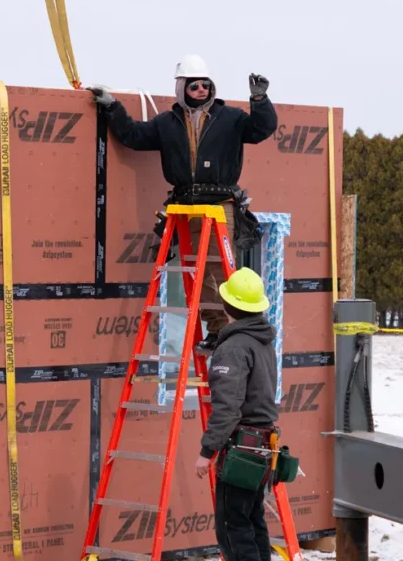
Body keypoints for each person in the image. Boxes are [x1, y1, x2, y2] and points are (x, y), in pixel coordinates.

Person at [86, 55, 279, 352]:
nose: (201, 89)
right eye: (194, 85)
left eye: (205, 84)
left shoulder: (231, 118)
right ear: (182, 88)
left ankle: (226, 333)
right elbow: (134, 136)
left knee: (217, 270)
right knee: (196, 273)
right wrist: (111, 105)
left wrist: (259, 98)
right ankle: (215, 329)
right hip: (186, 205)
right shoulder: (167, 123)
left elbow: (261, 129)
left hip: (219, 203)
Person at [193, 267, 280, 561]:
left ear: (228, 305)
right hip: (260, 445)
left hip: (242, 447)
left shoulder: (234, 347)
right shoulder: (260, 341)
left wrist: (207, 451)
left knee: (233, 528)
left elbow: (227, 408)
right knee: (252, 525)